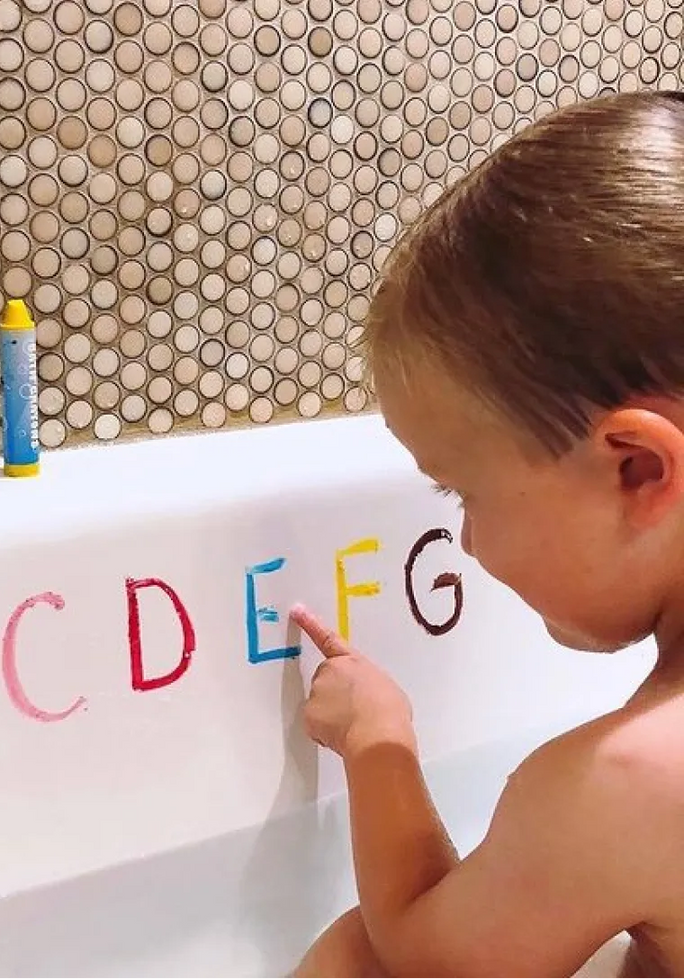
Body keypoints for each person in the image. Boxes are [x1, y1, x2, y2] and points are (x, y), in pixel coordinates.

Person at [289, 90, 684, 979]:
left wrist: (377, 740)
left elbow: (425, 958)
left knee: (357, 958)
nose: (464, 541)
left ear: (637, 470)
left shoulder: (628, 780)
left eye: (465, 493)